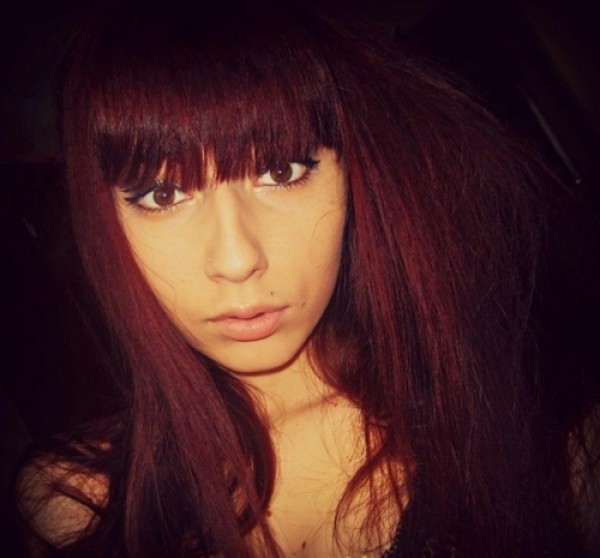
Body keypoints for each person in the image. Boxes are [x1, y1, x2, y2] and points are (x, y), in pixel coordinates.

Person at [14, 1, 592, 556]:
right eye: (162, 195)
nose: (237, 260)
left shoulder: (528, 410)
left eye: (280, 169)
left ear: (352, 175)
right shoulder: (75, 507)